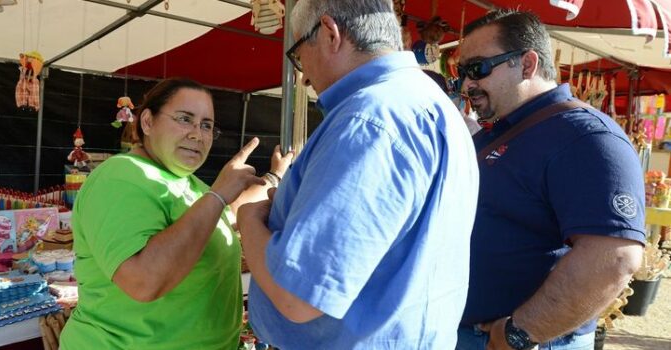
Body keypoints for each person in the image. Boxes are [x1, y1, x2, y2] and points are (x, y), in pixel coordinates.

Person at [236, 0, 479, 348]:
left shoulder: (368, 119)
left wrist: (249, 217)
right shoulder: (430, 102)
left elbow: (298, 295)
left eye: (298, 54)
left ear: (330, 34)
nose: (302, 75)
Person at [455, 10, 646, 350]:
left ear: (527, 65)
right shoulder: (507, 128)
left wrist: (518, 333)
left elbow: (614, 257)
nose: (467, 84)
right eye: (461, 72)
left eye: (477, 68)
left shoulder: (587, 138)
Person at [59, 78, 292, 350]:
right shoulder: (121, 177)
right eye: (185, 119)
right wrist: (217, 195)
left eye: (206, 125)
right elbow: (143, 281)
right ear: (147, 122)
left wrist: (275, 176)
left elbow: (226, 215)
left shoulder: (188, 184)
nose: (197, 134)